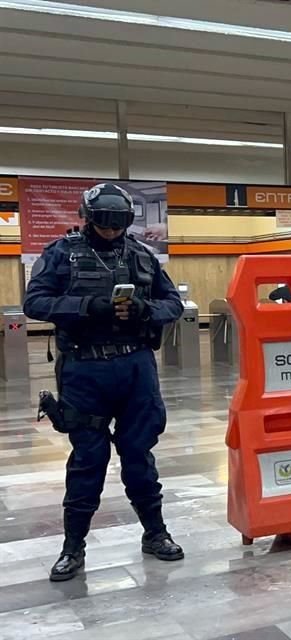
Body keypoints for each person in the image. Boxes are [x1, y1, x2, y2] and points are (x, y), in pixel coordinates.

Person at [23, 183, 185, 582]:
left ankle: (155, 533)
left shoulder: (143, 256)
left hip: (136, 369)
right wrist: (85, 306)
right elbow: (35, 301)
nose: (111, 230)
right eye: (103, 222)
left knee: (139, 456)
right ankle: (72, 548)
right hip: (85, 371)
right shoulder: (61, 254)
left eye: (118, 223)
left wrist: (147, 310)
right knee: (87, 462)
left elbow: (173, 304)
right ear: (88, 217)